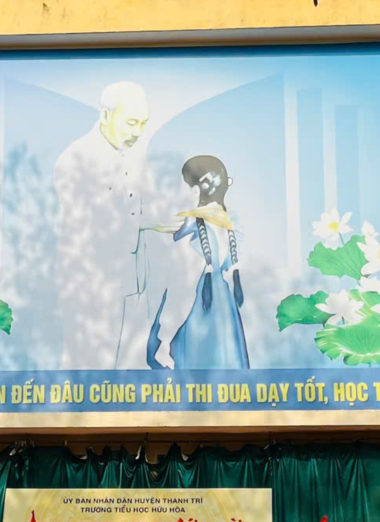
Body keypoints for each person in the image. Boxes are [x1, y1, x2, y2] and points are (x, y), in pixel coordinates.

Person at [53, 79, 157, 371]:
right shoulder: (76, 158)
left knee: (130, 370)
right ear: (105, 115)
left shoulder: (134, 157)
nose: (137, 132)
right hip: (93, 287)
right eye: (131, 123)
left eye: (143, 124)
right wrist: (151, 223)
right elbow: (89, 224)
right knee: (90, 369)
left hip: (134, 281)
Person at [144, 153, 248, 371]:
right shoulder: (226, 226)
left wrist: (164, 341)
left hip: (197, 324)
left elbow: (182, 292)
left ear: (194, 190)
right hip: (224, 319)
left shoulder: (194, 232)